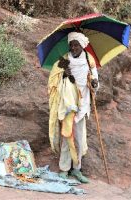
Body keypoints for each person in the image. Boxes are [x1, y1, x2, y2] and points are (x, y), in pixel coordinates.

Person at [48, 32, 99, 183]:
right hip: (67, 104)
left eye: (76, 44)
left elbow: (95, 81)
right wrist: (64, 75)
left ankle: (77, 169)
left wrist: (95, 84)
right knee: (66, 136)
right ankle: (64, 169)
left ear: (82, 45)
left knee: (79, 139)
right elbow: (53, 81)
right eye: (71, 44)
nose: (73, 47)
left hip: (82, 105)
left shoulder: (89, 60)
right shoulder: (64, 60)